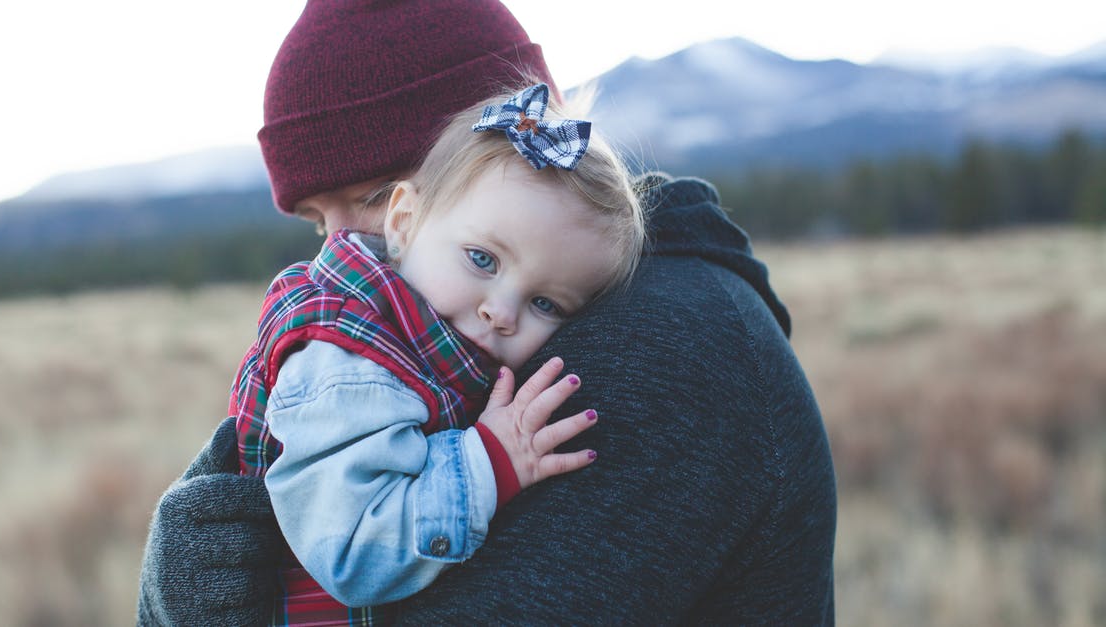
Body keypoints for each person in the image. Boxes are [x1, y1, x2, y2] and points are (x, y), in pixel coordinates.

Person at [137, 1, 837, 625]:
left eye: (379, 195)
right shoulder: (456, 338)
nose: (345, 250)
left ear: (513, 146)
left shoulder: (660, 349)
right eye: (319, 223)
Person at [231, 82, 645, 625]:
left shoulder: (428, 343)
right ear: (403, 222)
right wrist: (490, 461)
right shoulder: (347, 361)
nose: (502, 312)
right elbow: (353, 552)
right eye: (482, 259)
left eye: (545, 302)